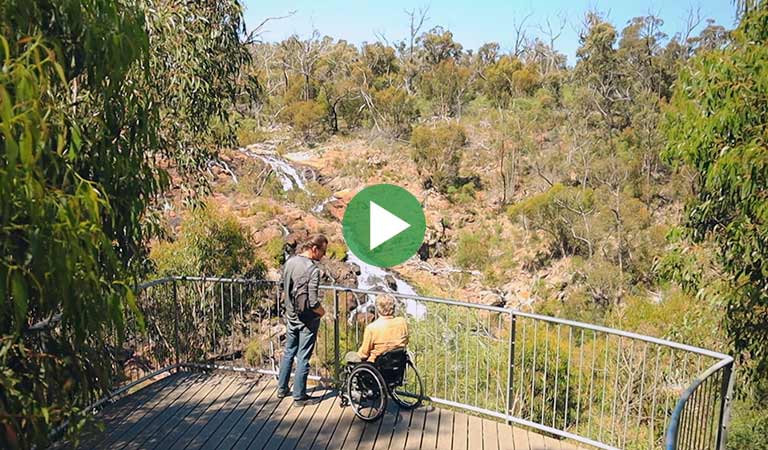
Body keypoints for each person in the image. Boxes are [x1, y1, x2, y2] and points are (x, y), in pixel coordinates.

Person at [276, 234, 327, 402]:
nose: (324, 255)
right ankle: (299, 396)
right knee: (303, 356)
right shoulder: (313, 270)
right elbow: (312, 302)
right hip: (307, 320)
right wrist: (321, 312)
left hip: (290, 316)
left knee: (289, 352)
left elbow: (284, 287)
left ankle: (282, 389)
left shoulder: (289, 262)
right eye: (323, 251)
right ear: (314, 249)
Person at [345, 294, 409, 364]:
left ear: (378, 309)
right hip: (398, 363)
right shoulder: (402, 322)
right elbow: (406, 341)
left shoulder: (372, 328)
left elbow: (363, 354)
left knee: (350, 356)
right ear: (393, 307)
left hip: (376, 365)